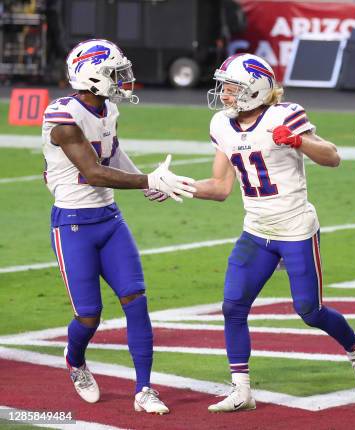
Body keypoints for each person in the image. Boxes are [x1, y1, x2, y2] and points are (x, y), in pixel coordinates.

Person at [195, 53, 355, 412]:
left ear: (254, 90)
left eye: (231, 88)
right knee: (233, 306)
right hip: (256, 230)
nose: (225, 94)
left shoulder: (284, 114)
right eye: (225, 87)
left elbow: (333, 156)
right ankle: (242, 389)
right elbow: (219, 186)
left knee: (309, 311)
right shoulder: (221, 124)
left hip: (295, 228)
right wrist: (175, 186)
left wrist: (299, 142)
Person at [42, 39, 196, 414]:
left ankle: (144, 388)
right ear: (92, 75)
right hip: (73, 224)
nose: (122, 78)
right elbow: (93, 172)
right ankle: (75, 359)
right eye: (115, 72)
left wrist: (145, 178)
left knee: (136, 300)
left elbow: (111, 152)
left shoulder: (107, 107)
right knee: (89, 316)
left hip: (109, 220)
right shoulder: (61, 116)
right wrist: (149, 183)